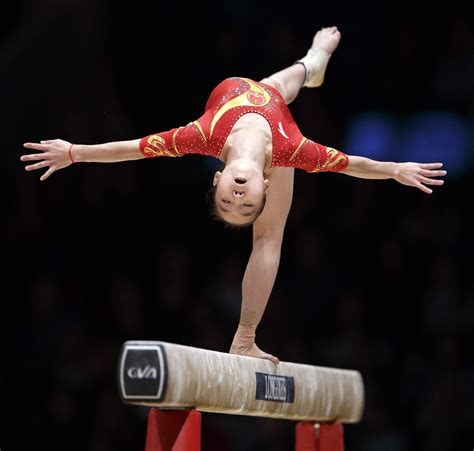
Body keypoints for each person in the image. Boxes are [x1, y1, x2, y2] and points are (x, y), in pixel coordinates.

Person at [21, 26, 446, 364]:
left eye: (229, 200)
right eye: (248, 204)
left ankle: (312, 62)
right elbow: (353, 163)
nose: (239, 196)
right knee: (270, 232)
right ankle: (245, 338)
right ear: (266, 183)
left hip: (254, 95)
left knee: (286, 82)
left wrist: (74, 153)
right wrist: (394, 169)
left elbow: (131, 149)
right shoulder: (291, 151)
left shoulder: (201, 136)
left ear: (217, 179)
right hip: (274, 113)